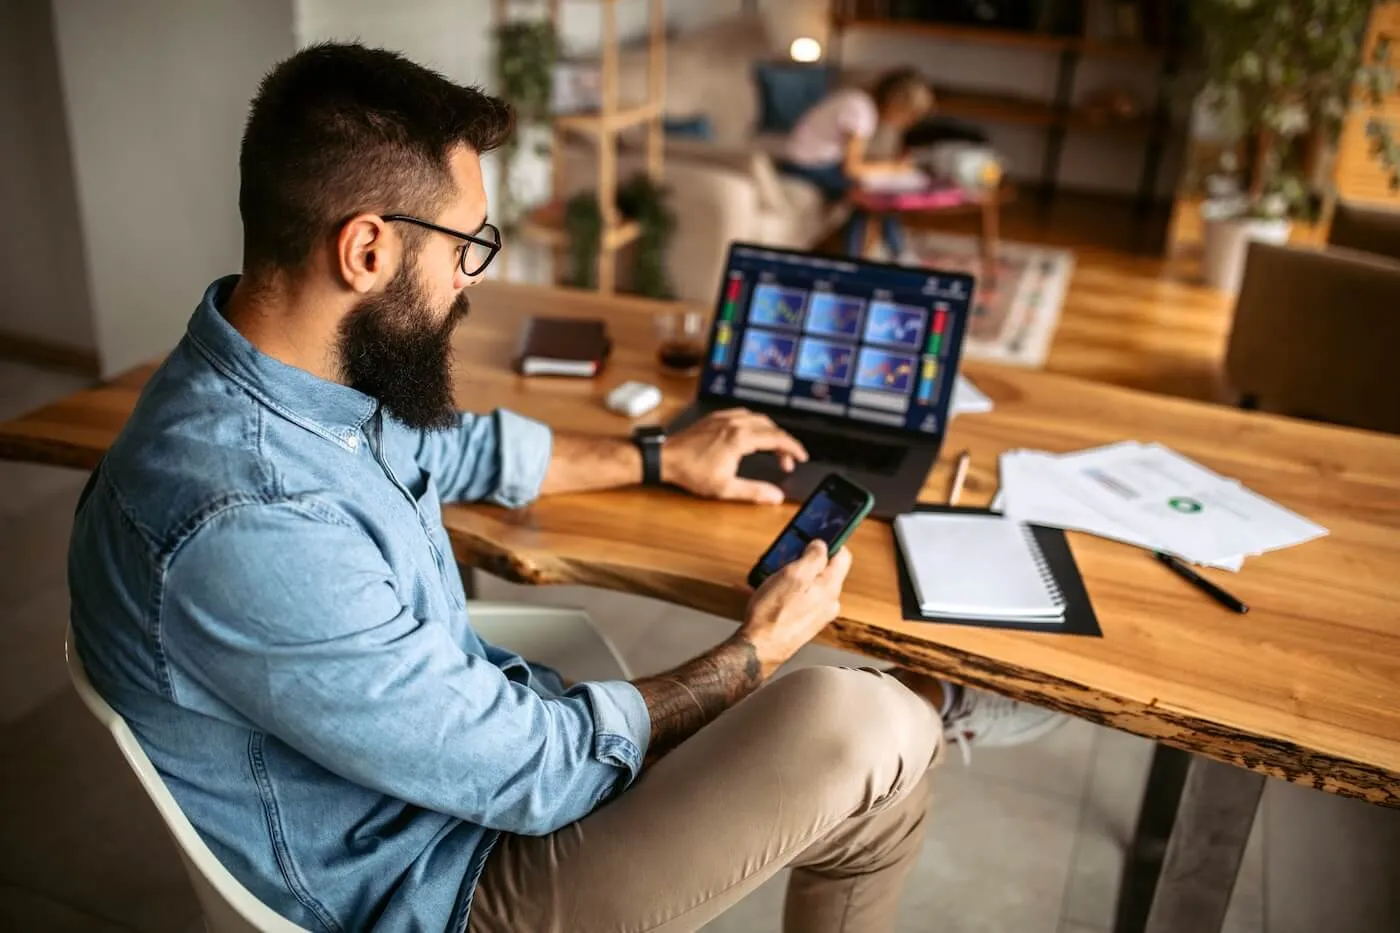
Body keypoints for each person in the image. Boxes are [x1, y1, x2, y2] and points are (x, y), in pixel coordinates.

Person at [67, 43, 1061, 933]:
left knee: (886, 757)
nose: (472, 279)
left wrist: (662, 457)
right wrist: (753, 653)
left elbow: (448, 453)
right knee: (860, 722)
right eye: (466, 246)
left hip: (456, 773)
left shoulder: (281, 383)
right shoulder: (247, 517)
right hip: (442, 883)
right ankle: (919, 705)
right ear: (366, 250)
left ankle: (924, 709)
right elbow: (540, 772)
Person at [779, 68, 936, 263]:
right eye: (910, 116)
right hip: (804, 166)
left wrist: (889, 167)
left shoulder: (859, 102)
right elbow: (852, 167)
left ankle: (873, 255)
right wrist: (894, 169)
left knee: (868, 196)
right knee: (869, 195)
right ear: (896, 104)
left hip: (816, 163)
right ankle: (895, 253)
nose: (908, 123)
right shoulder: (860, 111)